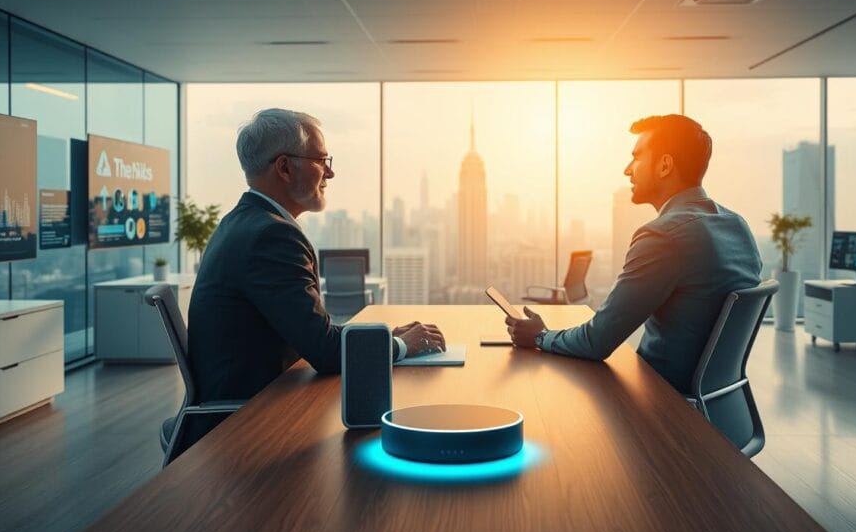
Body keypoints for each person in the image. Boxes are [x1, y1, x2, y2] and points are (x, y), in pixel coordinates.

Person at [187, 108, 444, 410]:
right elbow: (326, 352)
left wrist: (382, 336)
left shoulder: (243, 222)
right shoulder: (271, 237)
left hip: (263, 397)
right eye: (322, 160)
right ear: (284, 168)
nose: (330, 173)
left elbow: (312, 332)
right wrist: (402, 346)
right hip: (247, 420)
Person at [505, 114, 761, 394]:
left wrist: (541, 336)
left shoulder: (664, 236)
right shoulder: (738, 225)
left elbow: (597, 342)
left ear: (664, 165)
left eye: (637, 157)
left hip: (664, 407)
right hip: (717, 404)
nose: (628, 170)